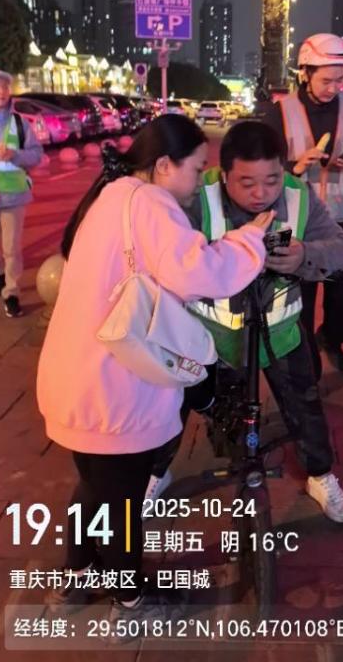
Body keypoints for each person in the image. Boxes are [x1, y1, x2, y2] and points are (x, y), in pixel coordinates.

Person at [36, 115, 273, 623]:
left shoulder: (112, 196)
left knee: (96, 487)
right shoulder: (150, 203)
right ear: (164, 165)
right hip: (115, 385)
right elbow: (200, 273)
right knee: (120, 502)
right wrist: (249, 240)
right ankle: (130, 602)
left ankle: (75, 580)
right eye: (196, 168)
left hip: (76, 377)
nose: (199, 181)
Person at [149, 121, 343, 523]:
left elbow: (341, 249)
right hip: (208, 337)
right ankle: (157, 472)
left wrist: (305, 255)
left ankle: (320, 475)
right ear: (224, 174)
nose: (261, 193)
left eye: (272, 180)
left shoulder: (298, 195)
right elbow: (164, 256)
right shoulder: (197, 197)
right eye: (246, 183)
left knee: (305, 408)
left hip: (281, 333)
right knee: (175, 406)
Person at [263, 34, 343, 375]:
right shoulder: (280, 112)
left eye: (340, 80)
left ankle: (331, 338)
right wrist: (294, 166)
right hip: (287, 221)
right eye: (326, 80)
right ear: (305, 73)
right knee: (292, 298)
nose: (333, 88)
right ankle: (304, 371)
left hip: (340, 219)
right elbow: (261, 167)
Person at [0, 69, 42, 317]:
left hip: (13, 195)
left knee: (11, 248)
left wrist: (15, 154)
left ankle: (11, 292)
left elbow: (37, 154)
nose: (2, 92)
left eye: (5, 87)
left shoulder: (19, 123)